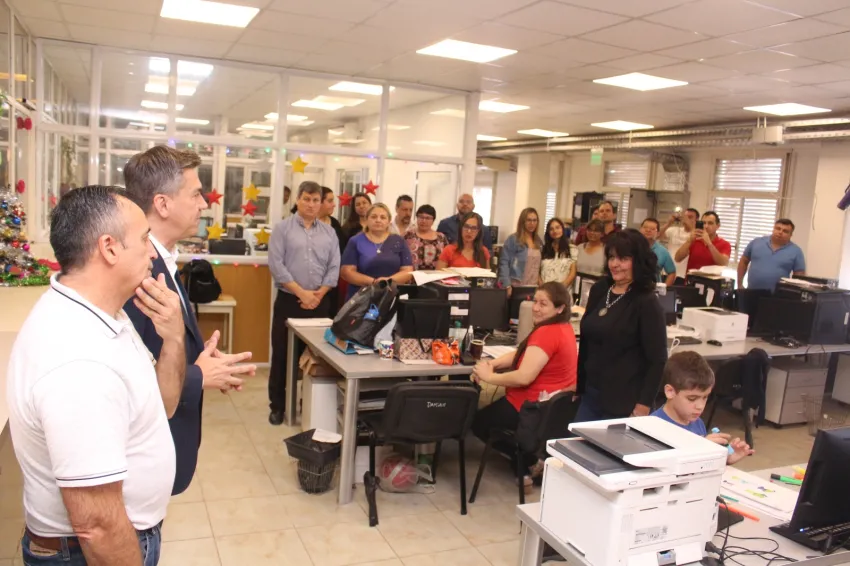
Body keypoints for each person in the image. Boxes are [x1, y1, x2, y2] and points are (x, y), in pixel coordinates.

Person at [8, 186, 179, 565]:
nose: (153, 252)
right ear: (109, 248)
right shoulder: (79, 361)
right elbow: (97, 526)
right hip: (83, 553)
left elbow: (159, 405)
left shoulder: (103, 313)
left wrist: (174, 338)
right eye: (144, 239)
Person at [123, 145, 255, 496]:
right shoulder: (140, 272)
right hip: (145, 457)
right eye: (195, 194)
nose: (204, 203)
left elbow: (158, 343)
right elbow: (131, 376)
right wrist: (198, 375)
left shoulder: (163, 259)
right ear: (163, 204)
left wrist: (201, 362)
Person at [471, 282, 577, 488]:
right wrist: (493, 364)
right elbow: (523, 353)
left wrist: (488, 376)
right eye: (535, 301)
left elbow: (523, 378)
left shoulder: (546, 333)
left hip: (529, 406)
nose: (535, 308)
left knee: (478, 423)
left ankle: (527, 462)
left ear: (560, 308)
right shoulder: (563, 328)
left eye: (543, 304)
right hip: (550, 408)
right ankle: (528, 465)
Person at [575, 229, 668, 421]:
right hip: (591, 393)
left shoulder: (646, 301)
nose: (615, 264)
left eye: (623, 258)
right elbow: (586, 342)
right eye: (611, 257)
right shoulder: (600, 289)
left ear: (638, 261)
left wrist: (643, 405)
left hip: (624, 399)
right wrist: (580, 385)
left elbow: (657, 359)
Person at [268, 181, 341, 425]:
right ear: (298, 200)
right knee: (282, 355)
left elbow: (334, 266)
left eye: (315, 200)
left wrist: (318, 294)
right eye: (306, 199)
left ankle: (307, 403)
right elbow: (276, 265)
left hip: (321, 302)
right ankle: (278, 406)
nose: (311, 204)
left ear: (321, 204)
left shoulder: (329, 233)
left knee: (317, 355)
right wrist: (301, 293)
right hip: (289, 300)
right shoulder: (282, 229)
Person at [652, 351, 754, 465]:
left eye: (705, 397)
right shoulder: (652, 427)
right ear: (670, 392)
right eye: (692, 398)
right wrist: (699, 448)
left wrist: (724, 459)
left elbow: (698, 466)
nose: (700, 406)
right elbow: (660, 467)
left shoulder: (697, 422)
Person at [341, 203, 413, 299]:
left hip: (391, 296)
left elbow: (407, 271)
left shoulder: (399, 241)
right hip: (361, 297)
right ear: (366, 220)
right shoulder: (355, 241)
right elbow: (346, 272)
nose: (378, 220)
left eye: (383, 217)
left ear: (389, 221)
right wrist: (374, 282)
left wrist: (388, 281)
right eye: (374, 217)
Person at [738, 218, 805, 291]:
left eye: (785, 231)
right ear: (773, 229)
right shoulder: (756, 243)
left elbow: (799, 275)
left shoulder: (796, 251)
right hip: (751, 292)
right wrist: (739, 284)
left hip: (779, 295)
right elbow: (743, 261)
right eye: (778, 228)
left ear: (790, 235)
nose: (780, 232)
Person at [498, 207, 544, 294]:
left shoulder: (538, 241)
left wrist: (540, 282)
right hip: (516, 285)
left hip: (533, 287)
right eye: (529, 220)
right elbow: (504, 262)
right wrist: (506, 284)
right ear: (523, 222)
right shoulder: (513, 239)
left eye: (534, 220)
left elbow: (536, 266)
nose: (532, 223)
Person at [674, 211, 731, 275]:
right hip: (692, 279)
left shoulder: (725, 244)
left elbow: (723, 263)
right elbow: (677, 258)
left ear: (718, 226)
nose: (706, 226)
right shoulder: (694, 240)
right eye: (703, 223)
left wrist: (709, 244)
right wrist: (689, 241)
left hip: (711, 280)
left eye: (710, 223)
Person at [660, 208, 699, 284]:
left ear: (696, 220)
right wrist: (669, 223)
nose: (686, 219)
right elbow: (657, 235)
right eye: (685, 217)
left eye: (690, 217)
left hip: (684, 275)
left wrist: (688, 223)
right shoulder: (674, 230)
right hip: (667, 272)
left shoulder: (698, 234)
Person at [405, 204, 448, 270]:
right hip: (412, 275)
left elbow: (447, 258)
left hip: (436, 275)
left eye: (428, 218)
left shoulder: (441, 238)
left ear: (433, 220)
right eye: (421, 217)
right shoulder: (408, 236)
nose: (424, 221)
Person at [540, 218, 576, 289]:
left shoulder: (571, 249)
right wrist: (542, 286)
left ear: (562, 229)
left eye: (557, 227)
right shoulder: (543, 249)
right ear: (548, 232)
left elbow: (573, 272)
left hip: (563, 290)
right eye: (551, 229)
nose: (555, 231)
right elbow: (537, 271)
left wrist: (561, 287)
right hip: (545, 289)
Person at [640, 217, 676, 286]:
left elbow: (671, 273)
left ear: (658, 233)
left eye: (652, 229)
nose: (648, 230)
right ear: (640, 229)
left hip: (653, 289)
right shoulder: (631, 247)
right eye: (645, 227)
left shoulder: (663, 251)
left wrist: (664, 288)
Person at [319, 186, 345, 254]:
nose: (334, 205)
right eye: (330, 201)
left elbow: (342, 249)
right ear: (319, 202)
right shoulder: (307, 224)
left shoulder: (335, 223)